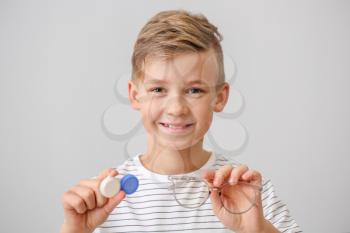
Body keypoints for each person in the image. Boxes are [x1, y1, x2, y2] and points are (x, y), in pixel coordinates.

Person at [60, 10, 301, 233]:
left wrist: (256, 230)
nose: (176, 109)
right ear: (135, 95)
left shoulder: (249, 194)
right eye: (158, 89)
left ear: (220, 98)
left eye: (194, 90)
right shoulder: (102, 199)